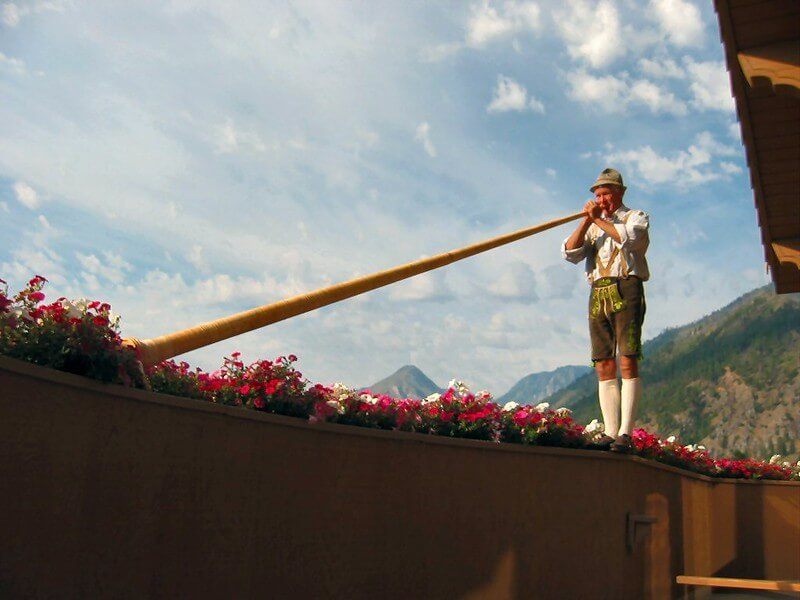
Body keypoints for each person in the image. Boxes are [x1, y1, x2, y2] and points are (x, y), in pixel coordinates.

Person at [561, 168, 650, 452]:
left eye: (606, 193)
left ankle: (625, 432)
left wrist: (598, 219)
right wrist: (585, 223)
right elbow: (570, 253)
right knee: (603, 362)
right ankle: (610, 432)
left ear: (620, 192)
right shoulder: (593, 225)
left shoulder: (635, 217)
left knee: (627, 357)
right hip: (598, 291)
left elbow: (632, 240)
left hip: (627, 288)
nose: (601, 199)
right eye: (597, 195)